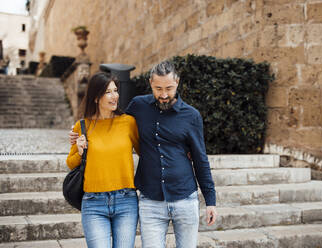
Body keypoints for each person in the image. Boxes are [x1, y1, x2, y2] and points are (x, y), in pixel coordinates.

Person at [70, 61, 217, 247]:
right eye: (158, 88)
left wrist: (210, 200)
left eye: (169, 88)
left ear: (177, 83)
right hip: (150, 201)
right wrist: (78, 138)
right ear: (150, 83)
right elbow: (113, 124)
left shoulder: (192, 116)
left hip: (185, 197)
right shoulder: (138, 107)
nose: (164, 95)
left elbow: (200, 159)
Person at [66, 72, 140, 248]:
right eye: (108, 92)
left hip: (126, 201)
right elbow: (71, 163)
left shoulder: (129, 123)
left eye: (115, 90)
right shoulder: (82, 126)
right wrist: (79, 150)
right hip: (93, 203)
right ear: (96, 97)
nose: (114, 96)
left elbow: (146, 152)